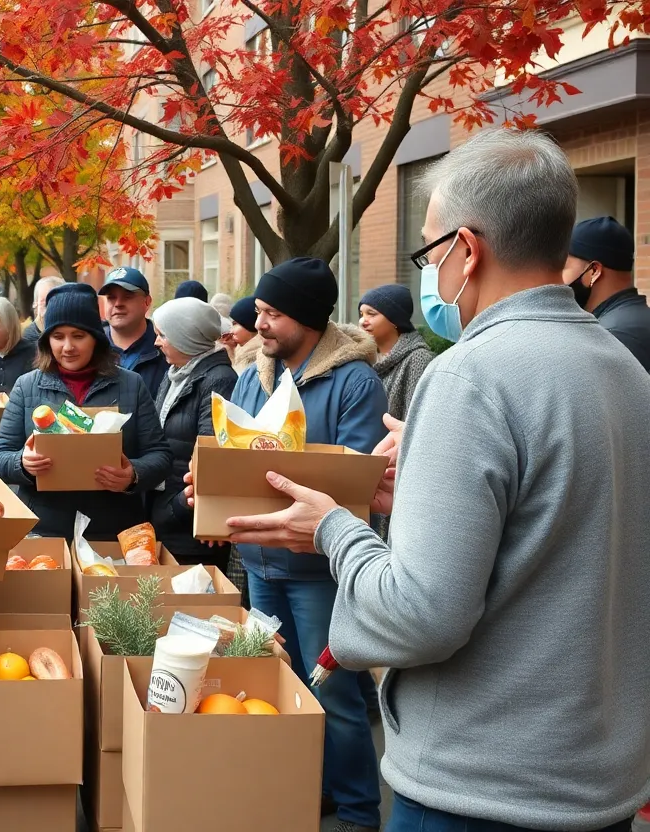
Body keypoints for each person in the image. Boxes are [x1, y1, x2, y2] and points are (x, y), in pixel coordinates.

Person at [214, 129, 650, 832]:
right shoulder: (625, 370)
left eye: (428, 250)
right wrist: (420, 488)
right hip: (601, 779)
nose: (430, 272)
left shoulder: (471, 375)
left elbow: (420, 615)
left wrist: (334, 530)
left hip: (483, 784)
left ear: (467, 250)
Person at [225, 257, 388, 832]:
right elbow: (232, 452)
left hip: (320, 568)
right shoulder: (252, 374)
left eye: (273, 314)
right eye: (260, 311)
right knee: (282, 683)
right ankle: (309, 789)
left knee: (335, 695)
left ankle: (358, 812)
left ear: (310, 318)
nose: (259, 323)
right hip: (262, 563)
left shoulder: (355, 381)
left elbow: (356, 477)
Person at [0, 282, 171, 540]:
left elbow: (160, 455)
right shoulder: (27, 386)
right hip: (45, 529)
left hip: (113, 530)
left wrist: (132, 474)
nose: (67, 347)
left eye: (78, 336)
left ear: (96, 338)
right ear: (46, 341)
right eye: (58, 336)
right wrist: (23, 463)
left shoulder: (130, 384)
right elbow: (0, 456)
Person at [147, 297, 237, 574]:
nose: (156, 343)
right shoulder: (176, 373)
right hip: (171, 516)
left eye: (163, 335)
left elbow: (213, 460)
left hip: (192, 527)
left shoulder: (219, 379)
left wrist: (175, 511)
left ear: (186, 338)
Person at [564, 216, 650, 372]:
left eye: (563, 267)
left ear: (594, 271)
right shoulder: (635, 318)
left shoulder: (612, 337)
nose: (556, 279)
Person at [358, 284, 434, 420]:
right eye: (361, 314)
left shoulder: (418, 359)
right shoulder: (361, 359)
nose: (363, 321)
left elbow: (417, 420)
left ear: (394, 320)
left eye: (371, 314)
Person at [98, 267, 168, 397]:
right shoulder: (91, 349)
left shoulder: (166, 350)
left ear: (147, 302)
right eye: (111, 298)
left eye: (127, 297)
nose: (118, 304)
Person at [22, 275, 65, 343]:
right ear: (35, 304)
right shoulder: (28, 338)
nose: (50, 309)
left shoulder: (70, 329)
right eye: (45, 303)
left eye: (56, 302)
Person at [228, 294, 263, 373]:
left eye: (235, 324)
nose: (231, 331)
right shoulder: (241, 353)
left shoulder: (257, 359)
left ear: (250, 325)